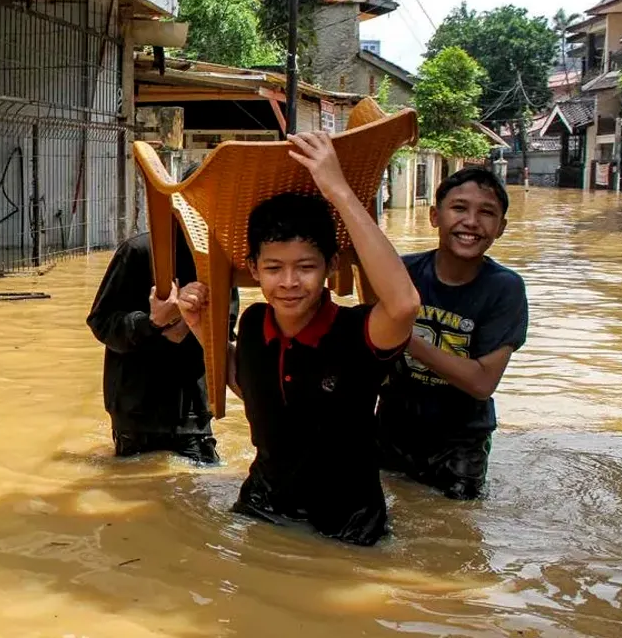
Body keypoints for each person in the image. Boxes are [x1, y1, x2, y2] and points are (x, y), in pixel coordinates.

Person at [176, 131, 420, 546]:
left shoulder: (358, 332)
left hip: (347, 523)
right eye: (273, 268)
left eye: (305, 266)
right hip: (262, 507)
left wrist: (338, 189)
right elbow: (250, 385)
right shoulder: (253, 324)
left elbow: (403, 305)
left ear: (330, 265)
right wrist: (200, 326)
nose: (289, 282)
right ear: (253, 268)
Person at [377, 167, 528, 500]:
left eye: (486, 213)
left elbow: (481, 382)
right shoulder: (401, 272)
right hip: (392, 429)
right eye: (459, 208)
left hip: (461, 443)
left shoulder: (505, 289)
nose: (471, 221)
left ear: (501, 228)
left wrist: (405, 339)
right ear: (434, 216)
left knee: (457, 535)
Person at [86, 170, 237, 466]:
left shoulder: (220, 258)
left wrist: (186, 323)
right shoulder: (138, 251)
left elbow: (226, 328)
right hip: (136, 410)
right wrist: (153, 321)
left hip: (192, 410)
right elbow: (102, 322)